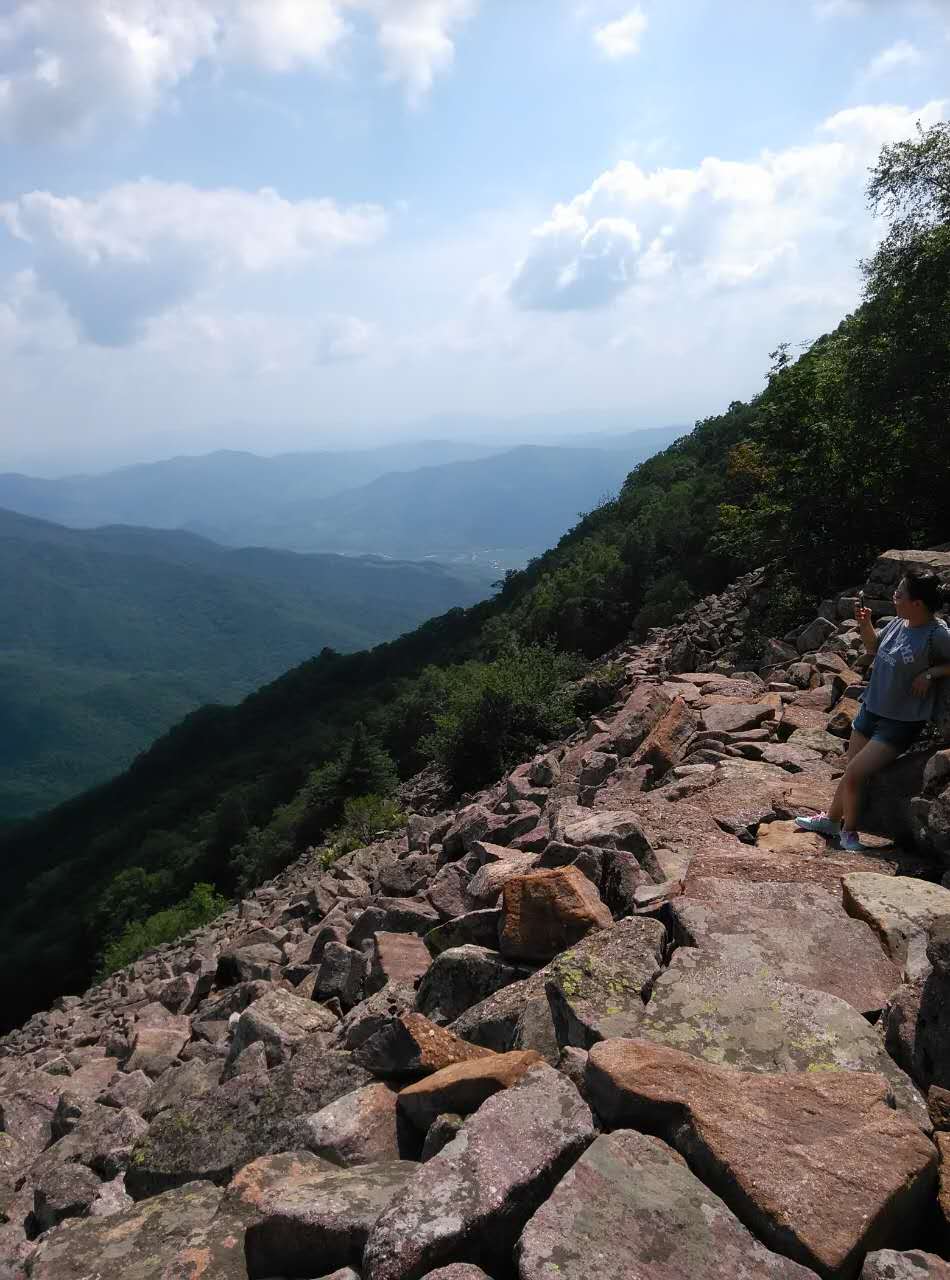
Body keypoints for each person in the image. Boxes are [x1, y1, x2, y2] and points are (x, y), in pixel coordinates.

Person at [796, 569, 950, 852]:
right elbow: (872, 647)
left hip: (901, 721)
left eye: (900, 593)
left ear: (917, 603)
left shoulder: (936, 635)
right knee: (850, 772)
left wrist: (932, 673)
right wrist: (865, 624)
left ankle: (850, 833)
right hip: (872, 707)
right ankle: (831, 820)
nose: (895, 596)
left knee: (855, 772)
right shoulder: (898, 623)